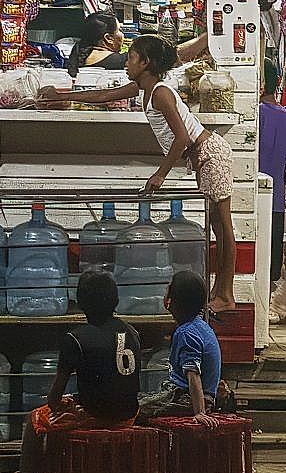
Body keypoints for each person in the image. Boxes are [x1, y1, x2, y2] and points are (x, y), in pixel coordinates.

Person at [42, 34, 238, 314]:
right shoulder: (143, 88)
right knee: (217, 227)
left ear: (146, 63)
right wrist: (60, 97)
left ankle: (226, 294)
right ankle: (221, 292)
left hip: (210, 154)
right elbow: (103, 96)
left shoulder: (161, 92)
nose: (126, 62)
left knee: (222, 226)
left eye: (132, 57)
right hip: (205, 157)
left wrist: (160, 175)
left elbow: (182, 138)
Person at [0, 268, 142, 473]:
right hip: (128, 415)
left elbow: (53, 399)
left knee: (35, 421)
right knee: (69, 412)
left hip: (97, 416)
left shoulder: (76, 338)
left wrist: (64, 403)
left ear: (80, 303)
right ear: (116, 300)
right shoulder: (132, 332)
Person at [138, 270, 225, 420]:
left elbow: (193, 374)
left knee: (134, 409)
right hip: (194, 396)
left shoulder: (186, 333)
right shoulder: (200, 327)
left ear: (172, 301)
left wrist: (199, 412)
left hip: (185, 398)